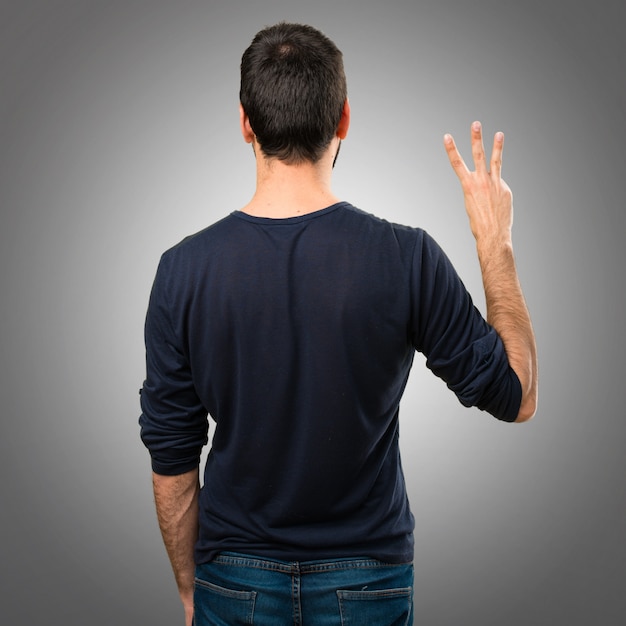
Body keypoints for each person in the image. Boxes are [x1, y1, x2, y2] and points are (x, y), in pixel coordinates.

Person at [139, 21, 538, 626]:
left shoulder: (182, 271)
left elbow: (173, 463)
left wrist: (195, 594)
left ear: (245, 121)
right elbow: (518, 395)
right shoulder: (407, 257)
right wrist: (494, 243)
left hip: (234, 579)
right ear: (343, 120)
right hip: (368, 581)